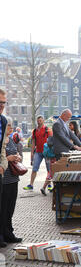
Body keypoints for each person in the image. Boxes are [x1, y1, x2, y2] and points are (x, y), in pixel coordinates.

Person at [0, 117, 22, 246]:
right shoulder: (2, 141)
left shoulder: (12, 140)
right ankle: (2, 235)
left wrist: (18, 157)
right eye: (9, 126)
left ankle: (9, 233)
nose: (11, 128)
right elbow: (4, 157)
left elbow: (17, 153)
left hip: (14, 178)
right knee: (2, 209)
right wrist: (8, 158)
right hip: (4, 179)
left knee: (10, 208)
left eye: (12, 126)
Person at [23, 115, 49, 191]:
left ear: (43, 121)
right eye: (38, 120)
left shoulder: (47, 129)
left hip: (47, 152)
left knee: (49, 169)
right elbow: (33, 142)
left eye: (40, 120)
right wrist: (31, 153)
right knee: (34, 168)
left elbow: (51, 140)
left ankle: (49, 185)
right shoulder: (34, 131)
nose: (39, 122)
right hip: (38, 152)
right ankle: (31, 185)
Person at [0, 89, 8, 248]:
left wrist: (2, 165)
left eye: (3, 103)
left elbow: (2, 147)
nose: (1, 106)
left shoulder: (3, 121)